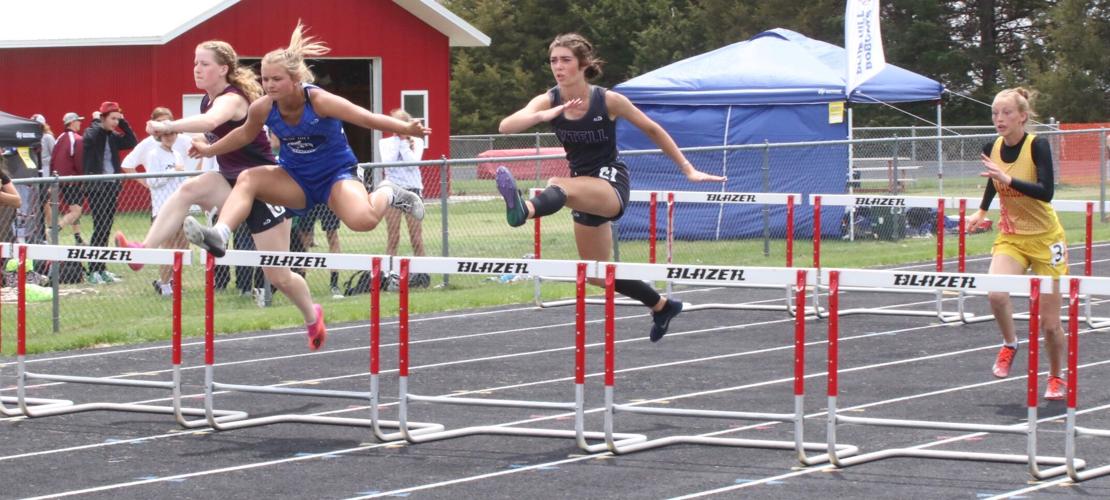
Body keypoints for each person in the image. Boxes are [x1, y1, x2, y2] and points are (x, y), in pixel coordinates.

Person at [182, 22, 429, 319]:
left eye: (276, 79)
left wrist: (406, 127)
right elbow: (243, 135)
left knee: (363, 221)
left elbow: (365, 118)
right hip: (295, 178)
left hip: (335, 176)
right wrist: (209, 149)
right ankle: (220, 234)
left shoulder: (319, 101)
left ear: (296, 78)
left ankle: (388, 192)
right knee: (249, 177)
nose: (269, 85)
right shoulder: (263, 107)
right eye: (265, 79)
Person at [496, 33, 725, 343]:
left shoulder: (608, 100)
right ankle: (662, 306)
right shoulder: (549, 99)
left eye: (565, 60)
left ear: (583, 65)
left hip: (610, 184)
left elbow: (652, 129)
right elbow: (506, 127)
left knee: (556, 184)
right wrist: (543, 115)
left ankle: (526, 210)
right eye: (553, 61)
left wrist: (688, 169)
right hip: (580, 190)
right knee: (596, 273)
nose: (558, 67)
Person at [114, 39, 324, 350]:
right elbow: (211, 128)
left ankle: (311, 315)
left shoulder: (234, 99)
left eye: (204, 64)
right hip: (230, 182)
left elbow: (213, 122)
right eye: (195, 63)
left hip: (265, 190)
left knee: (278, 276)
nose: (197, 69)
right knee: (190, 188)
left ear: (223, 69)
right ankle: (143, 250)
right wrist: (202, 143)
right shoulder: (206, 100)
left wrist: (169, 124)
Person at [965, 87, 1067, 401]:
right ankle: (1010, 343)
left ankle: (1055, 376)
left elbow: (1046, 191)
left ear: (1022, 116)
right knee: (995, 293)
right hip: (1011, 237)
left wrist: (1008, 180)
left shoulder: (1038, 145)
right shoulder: (991, 146)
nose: (1000, 118)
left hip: (1046, 239)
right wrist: (982, 210)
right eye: (995, 113)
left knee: (1049, 324)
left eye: (1007, 113)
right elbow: (992, 179)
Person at [120, 108, 197, 296]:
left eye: (171, 130)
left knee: (182, 246)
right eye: (164, 130)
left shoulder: (178, 152)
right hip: (163, 206)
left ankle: (174, 281)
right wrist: (152, 182)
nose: (169, 135)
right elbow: (153, 179)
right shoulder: (153, 152)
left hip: (181, 204)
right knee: (168, 247)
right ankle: (164, 284)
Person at [82, 101, 138, 284]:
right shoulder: (94, 132)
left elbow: (131, 141)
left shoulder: (113, 136)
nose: (115, 122)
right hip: (97, 187)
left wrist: (123, 122)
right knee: (100, 227)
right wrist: (97, 122)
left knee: (106, 227)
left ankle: (102, 269)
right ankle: (93, 270)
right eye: (112, 118)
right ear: (102, 118)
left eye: (117, 118)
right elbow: (88, 138)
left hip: (111, 186)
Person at [380, 109, 428, 264]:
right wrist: (398, 142)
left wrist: (404, 143)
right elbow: (389, 162)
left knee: (416, 237)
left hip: (412, 190)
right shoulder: (385, 143)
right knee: (393, 236)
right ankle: (389, 273)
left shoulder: (417, 142)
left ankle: (422, 274)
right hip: (393, 190)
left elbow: (412, 164)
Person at [51, 112, 86, 245]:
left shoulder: (60, 137)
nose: (80, 123)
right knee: (77, 211)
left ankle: (78, 238)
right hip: (72, 180)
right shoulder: (77, 139)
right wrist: (83, 178)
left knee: (74, 209)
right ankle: (54, 230)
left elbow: (53, 159)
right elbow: (79, 161)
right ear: (72, 122)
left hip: (60, 179)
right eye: (78, 121)